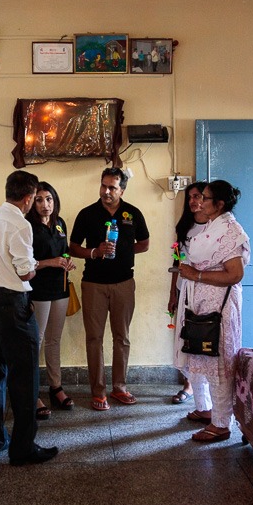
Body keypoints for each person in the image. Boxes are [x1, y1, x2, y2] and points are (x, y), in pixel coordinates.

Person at [0, 170, 58, 466]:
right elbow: (25, 273)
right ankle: (23, 448)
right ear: (29, 198)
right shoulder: (20, 224)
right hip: (11, 306)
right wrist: (34, 266)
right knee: (25, 376)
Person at [174, 180, 250, 442]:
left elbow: (235, 274)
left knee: (219, 363)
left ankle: (221, 424)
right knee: (204, 358)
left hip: (220, 307)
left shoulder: (230, 231)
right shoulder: (212, 226)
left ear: (218, 204)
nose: (199, 202)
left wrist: (195, 275)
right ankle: (207, 411)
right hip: (203, 304)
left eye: (204, 198)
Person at [69, 167, 150, 411]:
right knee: (94, 338)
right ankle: (98, 391)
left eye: (112, 187)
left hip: (124, 283)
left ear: (122, 190)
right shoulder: (87, 214)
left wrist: (123, 251)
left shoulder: (132, 213)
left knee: (121, 337)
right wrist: (95, 252)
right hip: (93, 284)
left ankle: (119, 387)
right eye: (103, 186)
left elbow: (144, 244)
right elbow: (73, 247)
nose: (106, 191)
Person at [25, 181, 76, 418]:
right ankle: (32, 393)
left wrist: (66, 261)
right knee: (36, 341)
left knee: (54, 340)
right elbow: (24, 264)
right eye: (39, 200)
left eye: (49, 199)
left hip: (60, 288)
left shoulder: (59, 223)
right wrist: (50, 262)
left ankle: (56, 387)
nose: (45, 204)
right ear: (32, 202)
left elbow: (64, 250)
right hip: (39, 290)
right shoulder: (27, 227)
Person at [166, 181, 209, 404]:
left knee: (204, 337)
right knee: (186, 337)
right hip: (184, 290)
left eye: (198, 196)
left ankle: (204, 390)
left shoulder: (215, 227)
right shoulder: (184, 227)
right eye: (190, 197)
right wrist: (173, 293)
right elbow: (177, 261)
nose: (193, 201)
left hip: (206, 291)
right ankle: (188, 385)